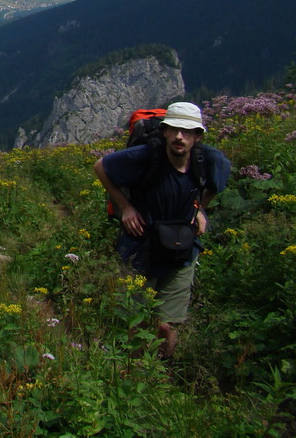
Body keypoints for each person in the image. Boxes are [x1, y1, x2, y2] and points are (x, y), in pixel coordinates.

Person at [93, 101, 231, 360]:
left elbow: (216, 184)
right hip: (140, 246)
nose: (180, 137)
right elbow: (101, 166)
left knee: (168, 324)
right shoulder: (146, 155)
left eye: (187, 132)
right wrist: (126, 208)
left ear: (197, 136)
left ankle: (161, 373)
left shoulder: (208, 160)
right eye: (175, 129)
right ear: (165, 131)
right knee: (136, 319)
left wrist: (200, 209)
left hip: (181, 252)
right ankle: (134, 371)